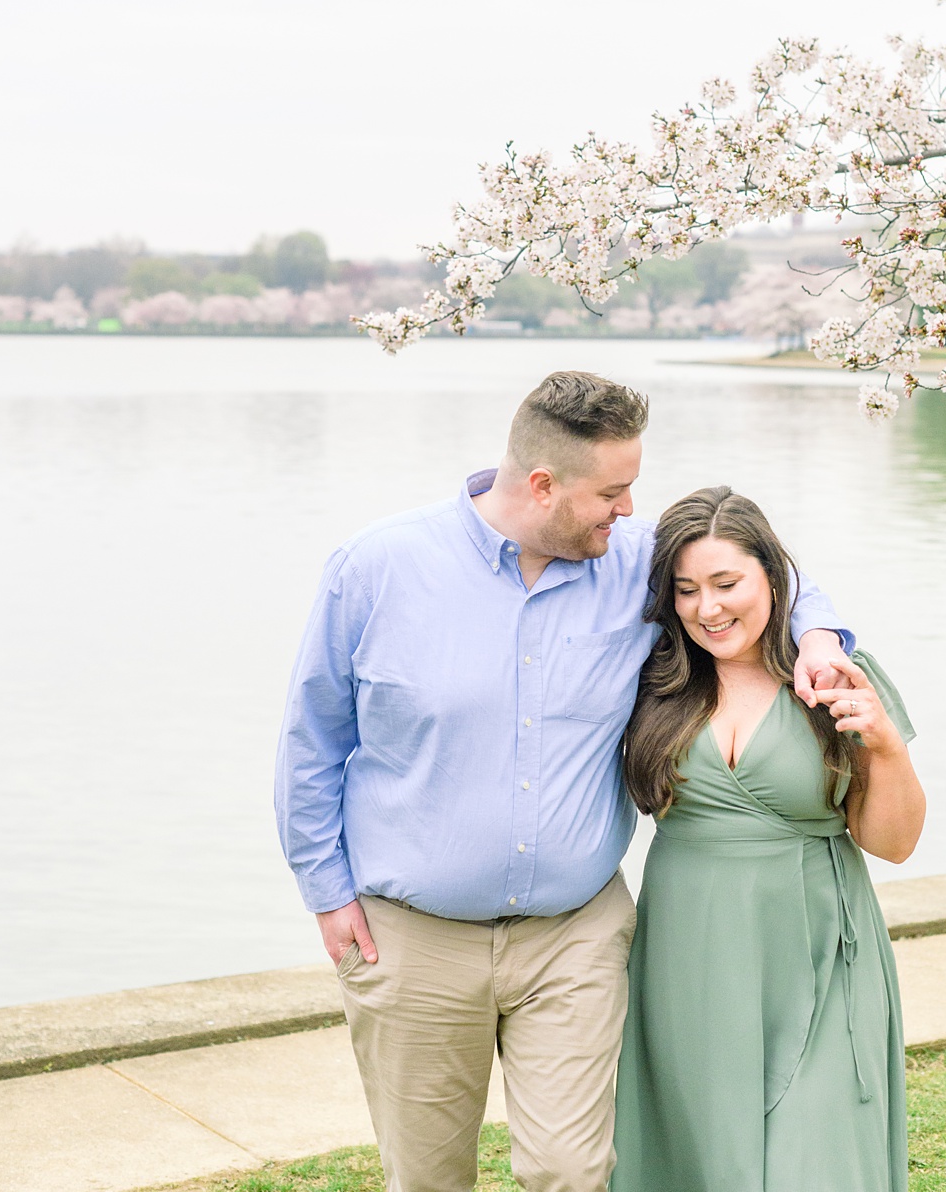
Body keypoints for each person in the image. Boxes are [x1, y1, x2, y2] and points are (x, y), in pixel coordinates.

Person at [274, 371, 856, 1192]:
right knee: (428, 1177)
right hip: (412, 941)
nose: (626, 511)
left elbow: (764, 571)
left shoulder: (632, 566)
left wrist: (822, 635)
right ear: (542, 485)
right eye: (612, 492)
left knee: (571, 1171)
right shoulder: (376, 568)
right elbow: (313, 739)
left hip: (575, 939)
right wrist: (326, 891)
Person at [612, 487, 925, 1191]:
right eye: (687, 590)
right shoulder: (653, 679)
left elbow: (895, 842)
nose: (708, 608)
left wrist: (884, 748)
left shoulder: (834, 677)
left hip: (816, 949)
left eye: (727, 583)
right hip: (689, 954)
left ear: (774, 579)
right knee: (699, 1152)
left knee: (813, 1155)